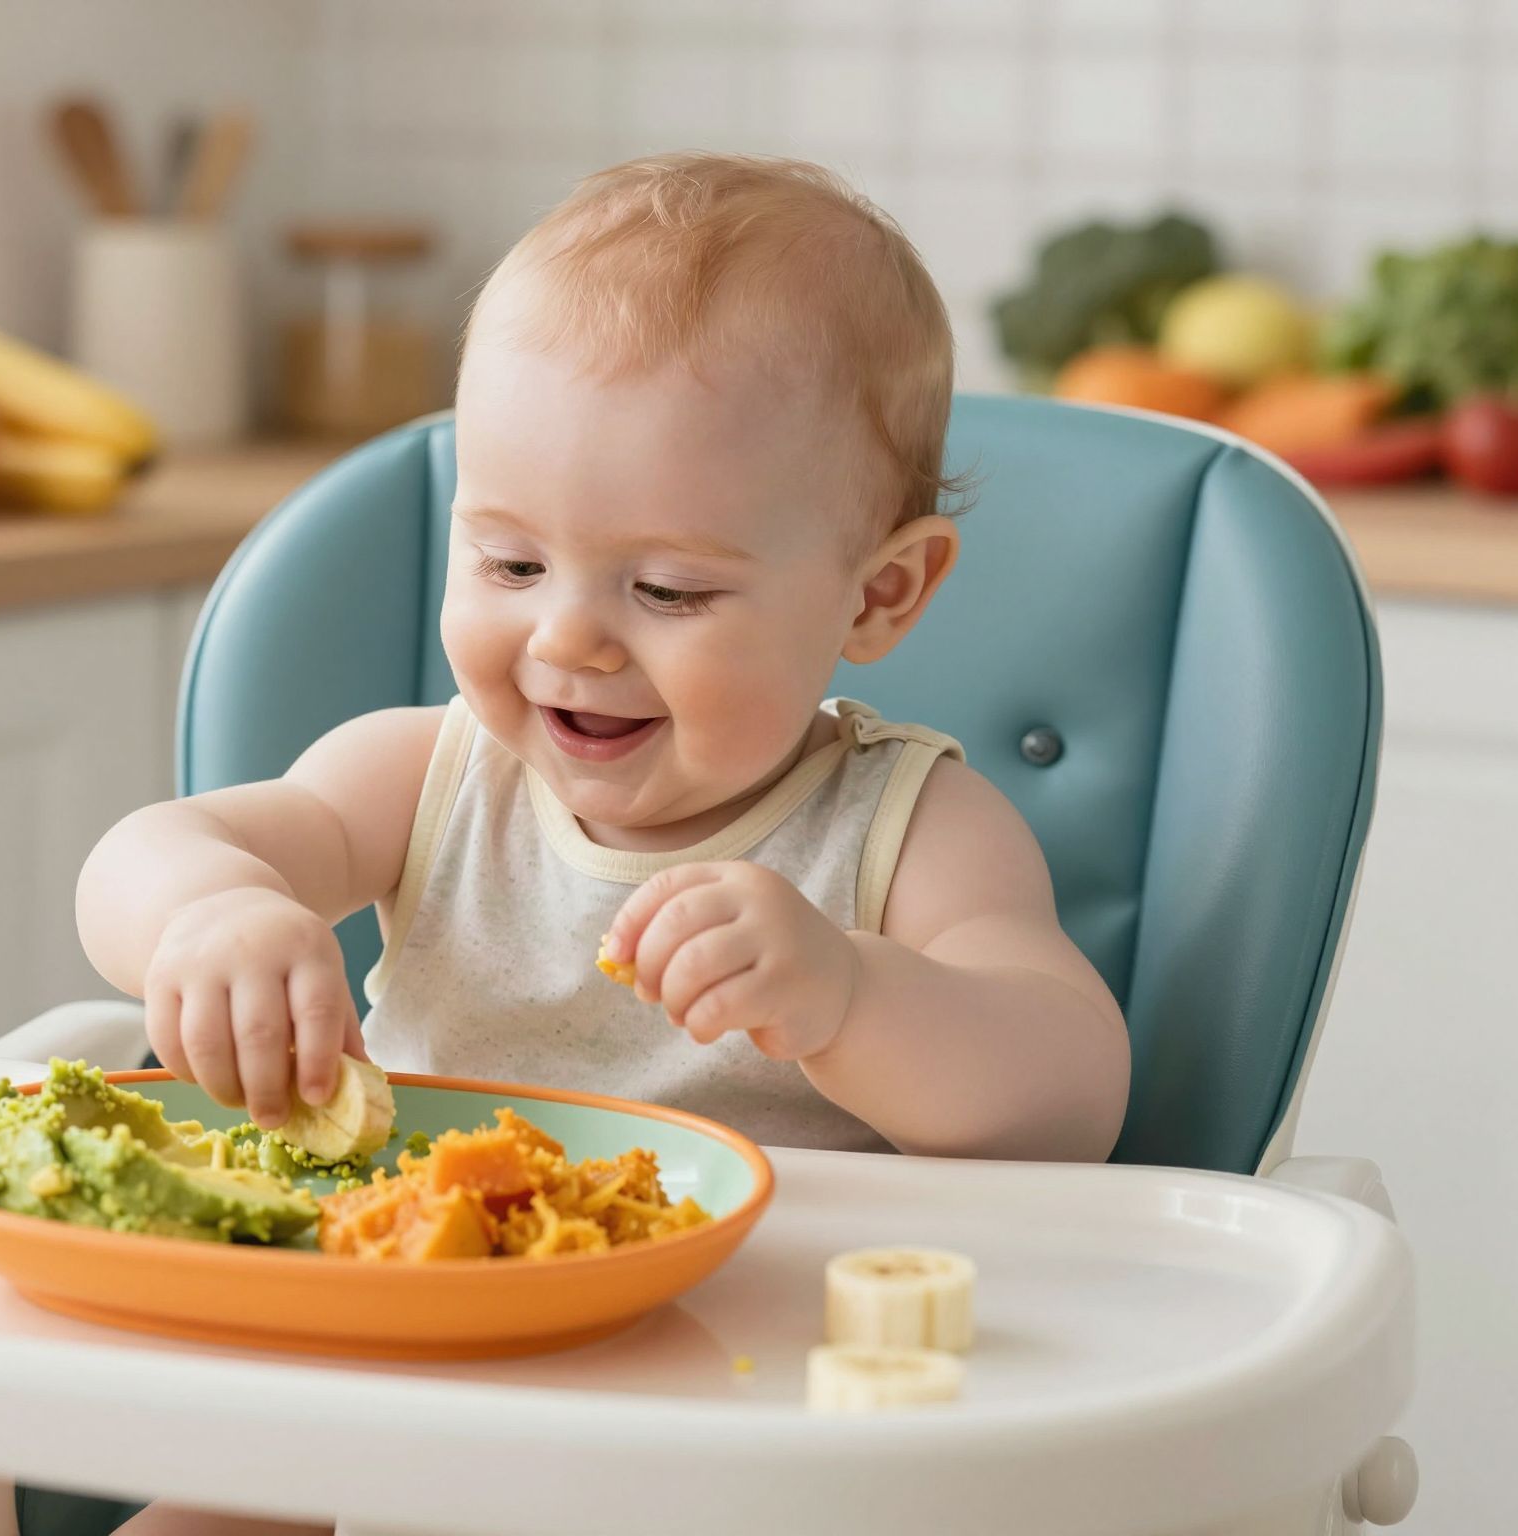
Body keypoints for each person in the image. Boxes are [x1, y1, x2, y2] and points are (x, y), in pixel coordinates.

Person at [77, 152, 1129, 1536]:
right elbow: (147, 854)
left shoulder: (908, 833)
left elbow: (1069, 1093)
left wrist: (855, 997)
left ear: (880, 593)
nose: (566, 637)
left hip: (757, 1435)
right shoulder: (422, 776)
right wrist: (209, 913)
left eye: (668, 588)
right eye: (509, 565)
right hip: (399, 1385)